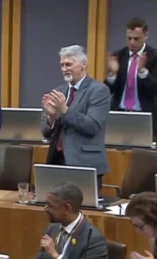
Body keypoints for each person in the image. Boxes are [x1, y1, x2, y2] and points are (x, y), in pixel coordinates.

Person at [41, 45, 110, 190]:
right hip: (57, 160)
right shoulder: (59, 91)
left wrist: (65, 110)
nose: (64, 69)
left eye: (68, 64)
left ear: (83, 64)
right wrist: (52, 117)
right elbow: (45, 132)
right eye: (62, 65)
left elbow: (92, 126)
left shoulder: (98, 91)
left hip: (84, 163)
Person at [11, 183, 108, 259]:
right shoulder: (53, 227)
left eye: (50, 206)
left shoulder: (93, 239)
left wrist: (56, 256)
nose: (45, 209)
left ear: (67, 208)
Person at [105, 17, 157, 135]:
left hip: (145, 114)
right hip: (119, 113)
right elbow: (107, 90)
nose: (132, 42)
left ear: (146, 36)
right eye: (129, 38)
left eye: (137, 39)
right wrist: (113, 73)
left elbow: (156, 89)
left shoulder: (156, 56)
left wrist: (142, 71)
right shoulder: (118, 55)